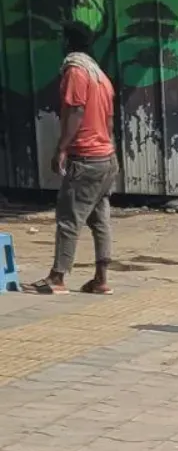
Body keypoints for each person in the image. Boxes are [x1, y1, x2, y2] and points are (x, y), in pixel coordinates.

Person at [28, 21, 118, 296]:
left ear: (68, 42)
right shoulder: (100, 75)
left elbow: (76, 111)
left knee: (69, 218)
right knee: (100, 220)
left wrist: (62, 148)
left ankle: (58, 277)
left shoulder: (76, 71)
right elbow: (110, 120)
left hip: (86, 158)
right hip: (106, 158)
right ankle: (100, 279)